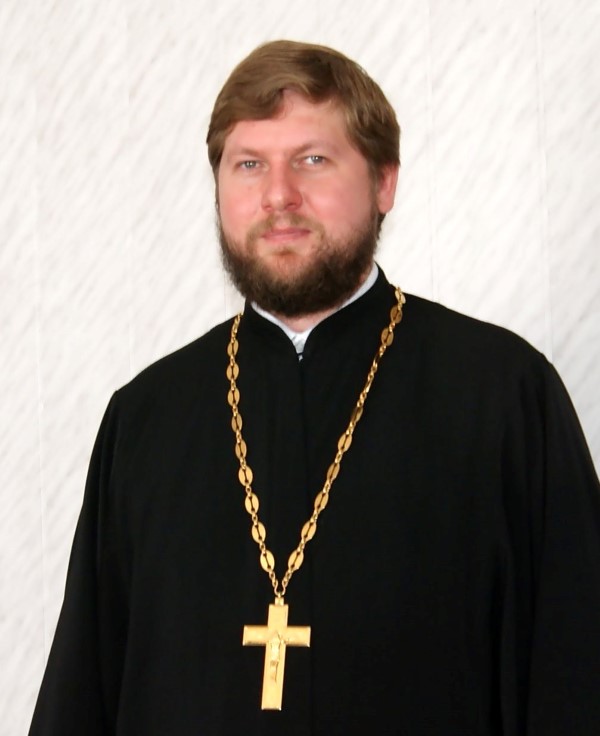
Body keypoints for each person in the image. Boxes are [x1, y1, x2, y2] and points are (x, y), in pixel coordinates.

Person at [29, 40, 600, 736]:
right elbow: (84, 692)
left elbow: (575, 674)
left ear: (385, 182)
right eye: (249, 165)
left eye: (312, 159)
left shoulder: (504, 396)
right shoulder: (146, 419)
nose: (278, 195)